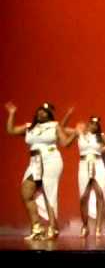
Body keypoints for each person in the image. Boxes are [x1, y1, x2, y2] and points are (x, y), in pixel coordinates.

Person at [4, 102, 73, 240]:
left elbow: (65, 143)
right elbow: (11, 130)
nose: (41, 113)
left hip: (51, 159)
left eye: (45, 112)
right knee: (26, 192)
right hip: (35, 161)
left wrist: (75, 134)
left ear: (49, 115)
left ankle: (52, 228)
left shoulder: (55, 126)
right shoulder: (30, 127)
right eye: (40, 111)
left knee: (49, 192)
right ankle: (37, 227)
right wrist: (12, 113)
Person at [64, 116, 105, 237]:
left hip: (98, 165)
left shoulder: (100, 136)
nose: (94, 125)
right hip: (83, 164)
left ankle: (98, 227)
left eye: (97, 124)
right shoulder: (80, 133)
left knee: (99, 194)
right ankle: (85, 226)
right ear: (88, 124)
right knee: (83, 197)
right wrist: (69, 118)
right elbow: (62, 129)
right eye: (92, 123)